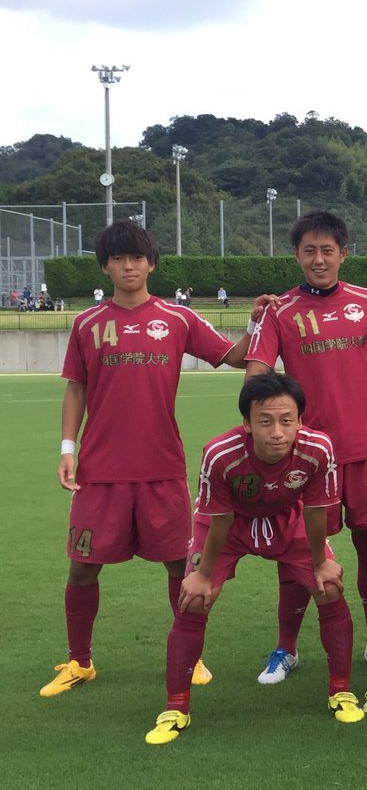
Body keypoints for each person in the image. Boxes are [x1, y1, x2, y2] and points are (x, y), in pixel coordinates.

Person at [43, 220, 264, 698]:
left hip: (162, 469)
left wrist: (253, 322)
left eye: (137, 257)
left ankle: (192, 656)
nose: (128, 266)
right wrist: (67, 449)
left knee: (178, 568)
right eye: (119, 258)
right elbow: (76, 388)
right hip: (99, 473)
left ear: (151, 263)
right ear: (105, 265)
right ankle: (79, 662)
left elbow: (231, 357)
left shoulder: (177, 318)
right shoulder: (87, 323)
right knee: (82, 567)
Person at [144, 373, 364, 744]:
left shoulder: (319, 448)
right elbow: (220, 518)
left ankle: (340, 690)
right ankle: (175, 708)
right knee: (194, 600)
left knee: (329, 589)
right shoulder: (221, 453)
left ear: (300, 420)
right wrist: (203, 575)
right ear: (247, 423)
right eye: (265, 421)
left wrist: (318, 561)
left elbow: (315, 512)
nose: (277, 431)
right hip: (229, 525)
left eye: (286, 420)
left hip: (287, 517)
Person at [246, 210, 367, 683]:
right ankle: (285, 648)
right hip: (307, 457)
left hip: (365, 448)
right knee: (300, 554)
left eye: (328, 250)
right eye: (309, 250)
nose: (318, 259)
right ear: (296, 255)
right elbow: (256, 373)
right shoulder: (278, 310)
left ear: (344, 254)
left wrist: (356, 386)